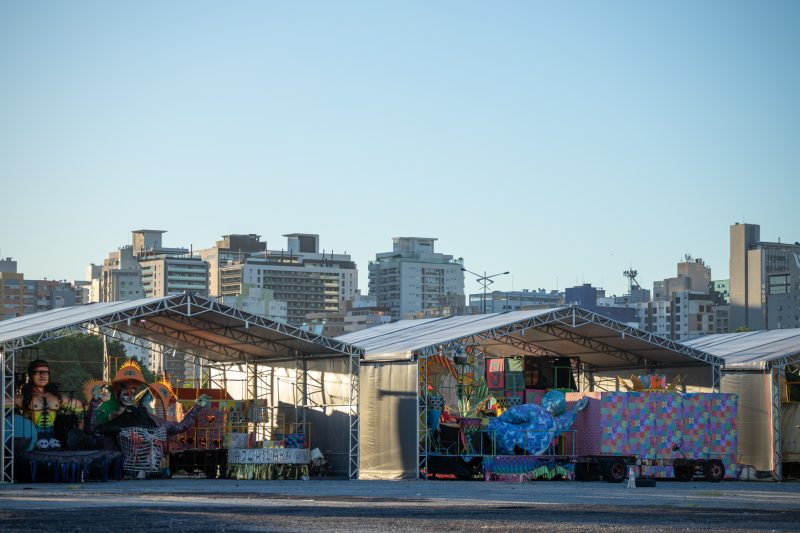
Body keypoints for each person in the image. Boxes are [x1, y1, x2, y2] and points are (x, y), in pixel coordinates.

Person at [15, 360, 63, 443]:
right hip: (31, 439)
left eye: (46, 372)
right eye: (38, 372)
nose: (43, 375)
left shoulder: (57, 397)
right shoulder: (22, 398)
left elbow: (81, 407)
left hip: (52, 438)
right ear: (30, 375)